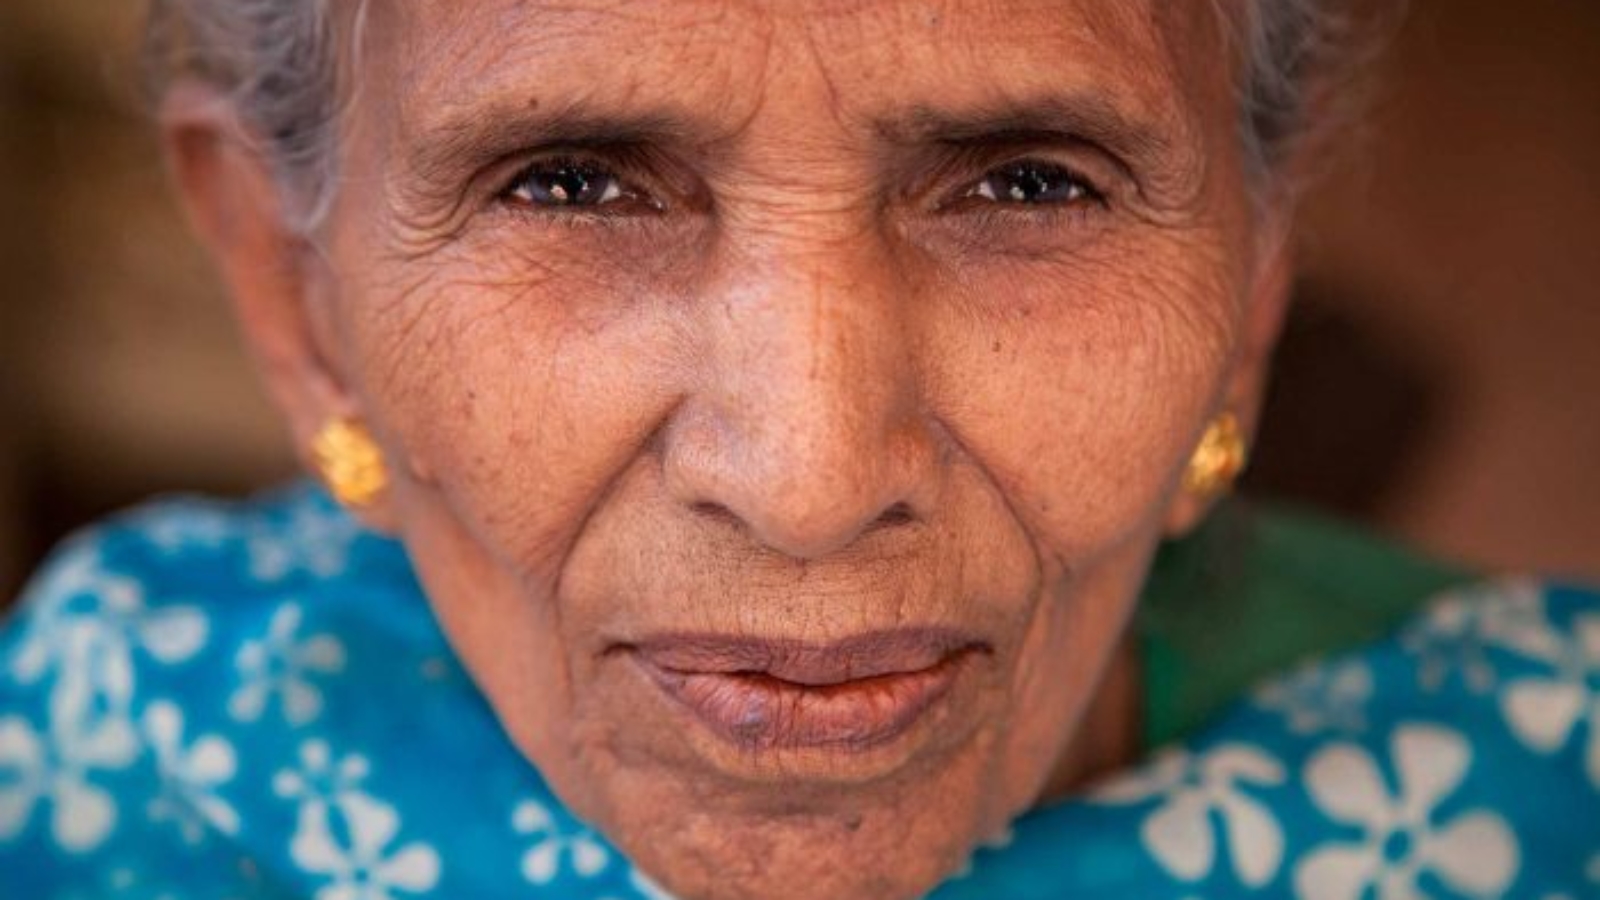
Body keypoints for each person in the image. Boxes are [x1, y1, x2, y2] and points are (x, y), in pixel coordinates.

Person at [1, 1, 1596, 898]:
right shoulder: (122, 763)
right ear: (297, 298)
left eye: (1030, 182)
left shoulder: (1548, 807)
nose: (812, 483)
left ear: (1254, 276)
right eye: (570, 181)